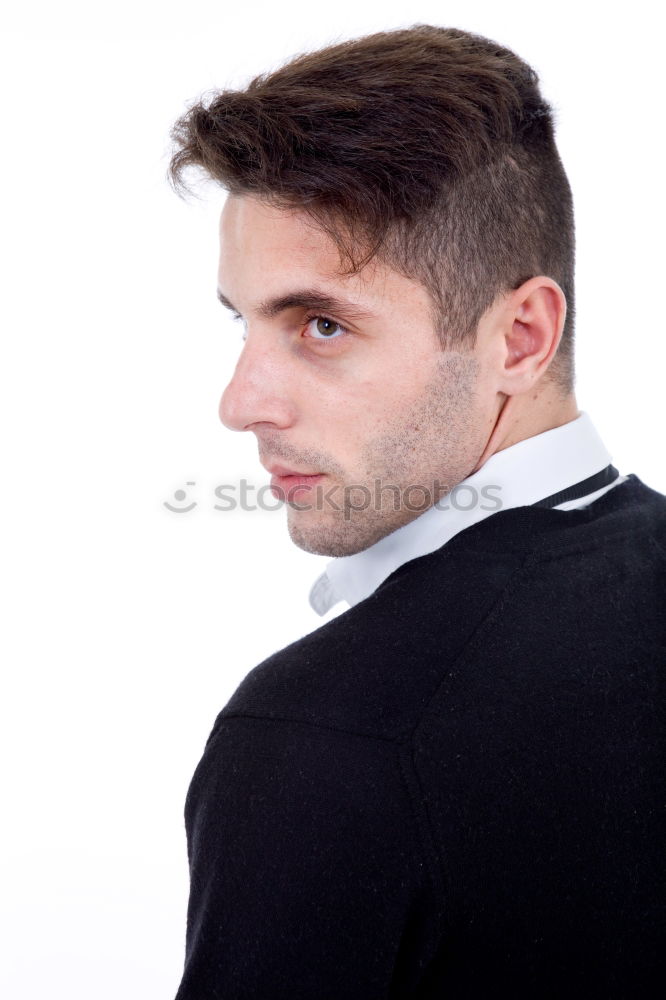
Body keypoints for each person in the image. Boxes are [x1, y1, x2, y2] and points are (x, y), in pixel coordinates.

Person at [167, 24, 665, 998]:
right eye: (246, 320)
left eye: (321, 324)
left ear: (520, 336)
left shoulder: (326, 737)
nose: (241, 403)